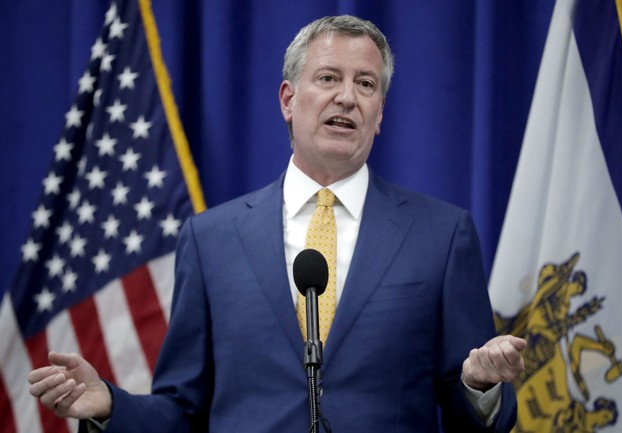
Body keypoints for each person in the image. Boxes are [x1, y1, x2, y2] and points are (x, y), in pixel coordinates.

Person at [28, 15, 526, 432]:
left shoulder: (442, 235)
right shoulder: (210, 240)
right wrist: (111, 406)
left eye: (366, 84)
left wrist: (478, 386)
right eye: (328, 78)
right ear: (288, 99)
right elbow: (182, 410)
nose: (347, 97)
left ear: (379, 115)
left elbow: (473, 416)